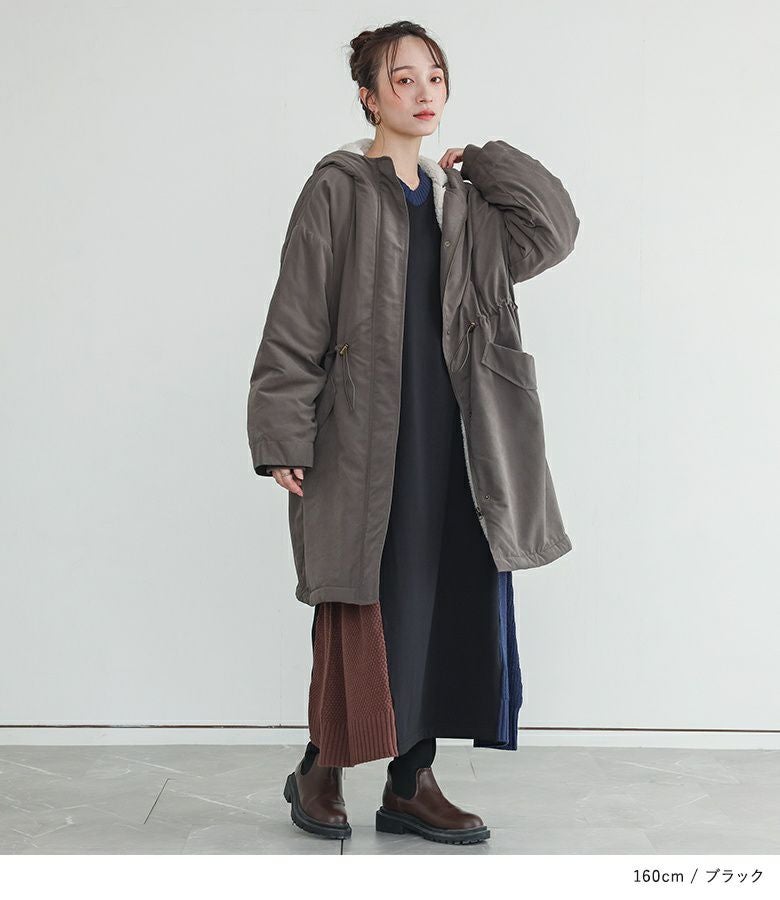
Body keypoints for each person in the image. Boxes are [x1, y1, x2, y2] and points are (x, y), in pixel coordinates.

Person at [248, 20, 580, 845]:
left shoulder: (465, 204)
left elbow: (554, 233)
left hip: (462, 438)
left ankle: (411, 784)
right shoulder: (338, 189)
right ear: (368, 96)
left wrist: (490, 162)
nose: (423, 91)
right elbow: (297, 313)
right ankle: (321, 767)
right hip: (363, 440)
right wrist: (284, 432)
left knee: (444, 600)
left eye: (434, 75)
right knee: (363, 602)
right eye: (403, 79)